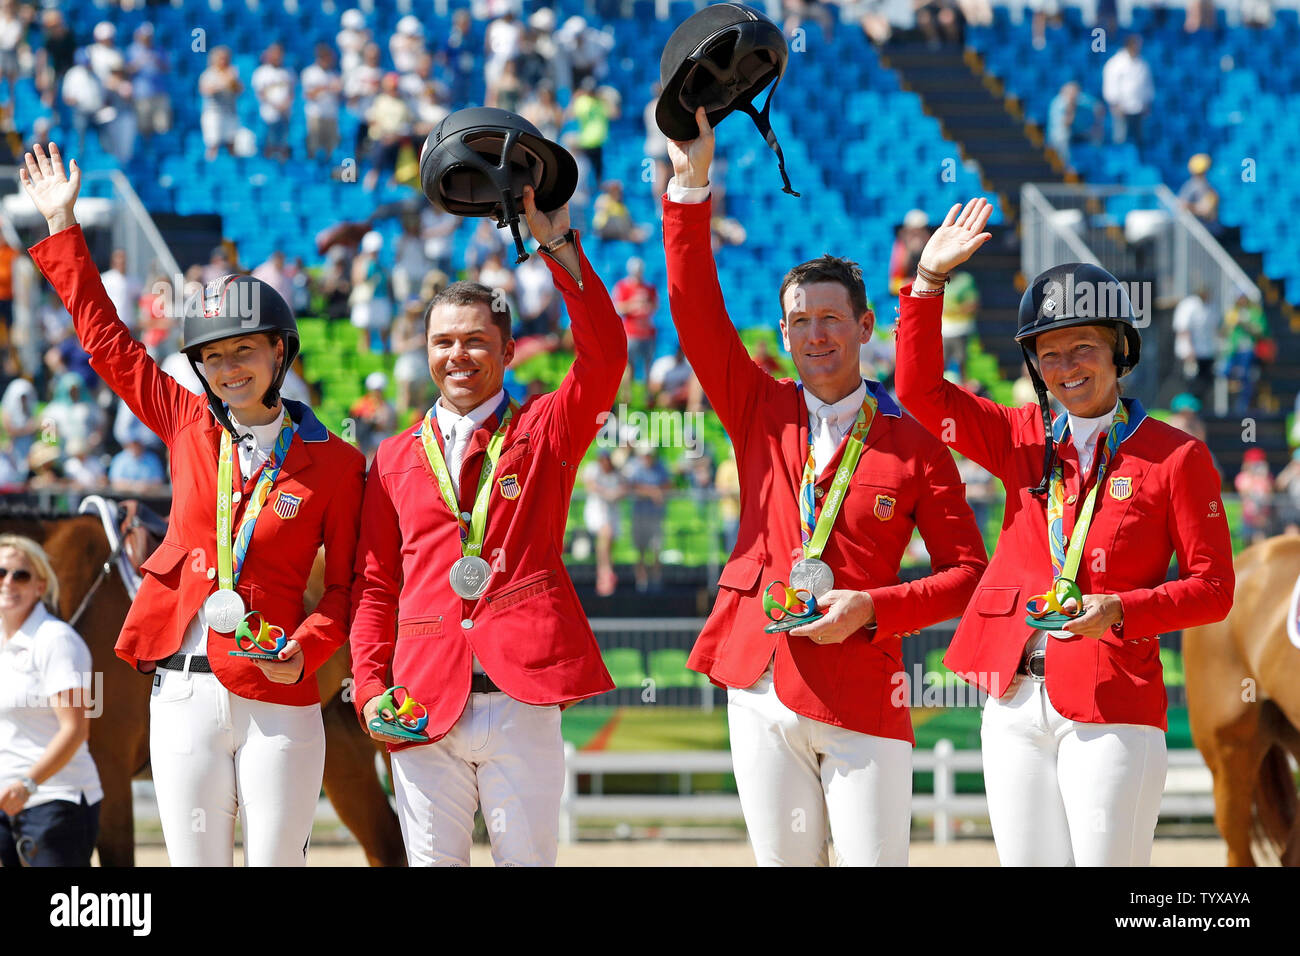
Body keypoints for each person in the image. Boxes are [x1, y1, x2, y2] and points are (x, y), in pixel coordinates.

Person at [21, 142, 365, 867]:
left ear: (280, 353)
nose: (229, 367)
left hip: (282, 694)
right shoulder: (184, 423)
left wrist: (304, 650)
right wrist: (62, 226)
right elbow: (106, 341)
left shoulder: (337, 464)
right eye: (213, 357)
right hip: (182, 692)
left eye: (245, 350)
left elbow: (346, 590)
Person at [664, 109, 988, 866]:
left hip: (862, 690)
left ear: (867, 325)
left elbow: (968, 576)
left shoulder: (915, 444)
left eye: (832, 320)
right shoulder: (758, 408)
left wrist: (874, 609)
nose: (816, 334)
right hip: (757, 679)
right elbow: (695, 310)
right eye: (800, 321)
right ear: (782, 335)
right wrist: (689, 189)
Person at [894, 197, 1235, 866]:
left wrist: (1119, 611)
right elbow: (919, 393)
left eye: (1083, 347)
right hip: (1014, 699)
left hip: (1111, 699)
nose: (1067, 365)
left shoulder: (1177, 456)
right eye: (1049, 355)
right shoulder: (1017, 437)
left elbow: (1215, 590)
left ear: (1119, 353)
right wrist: (927, 282)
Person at [349, 186, 627, 866]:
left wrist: (560, 249)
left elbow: (605, 359)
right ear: (425, 350)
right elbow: (376, 585)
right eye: (444, 341)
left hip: (519, 693)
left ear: (507, 350)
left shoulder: (545, 430)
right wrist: (368, 687)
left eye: (477, 340)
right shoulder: (391, 457)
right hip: (418, 698)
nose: (459, 355)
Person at [0, 535, 103, 867]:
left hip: (56, 801)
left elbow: (75, 731)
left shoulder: (56, 641)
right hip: (7, 800)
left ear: (40, 586)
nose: (8, 582)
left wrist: (27, 785)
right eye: (0, 573)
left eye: (21, 575)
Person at [624, 447, 671, 593]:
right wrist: (652, 492)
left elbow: (668, 485)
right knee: (641, 549)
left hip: (655, 516)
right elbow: (631, 486)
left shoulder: (661, 467)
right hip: (640, 515)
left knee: (656, 548)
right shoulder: (635, 467)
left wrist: (652, 492)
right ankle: (641, 580)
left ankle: (656, 579)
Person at [583, 449, 625, 597]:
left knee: (609, 541)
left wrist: (615, 494)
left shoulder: (617, 473)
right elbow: (589, 484)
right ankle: (604, 571)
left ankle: (606, 572)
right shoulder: (593, 469)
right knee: (605, 534)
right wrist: (607, 493)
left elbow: (624, 489)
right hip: (597, 510)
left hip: (611, 512)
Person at [612, 257, 658, 388]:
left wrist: (646, 307)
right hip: (631, 332)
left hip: (647, 332)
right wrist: (634, 306)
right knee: (628, 365)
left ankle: (647, 396)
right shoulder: (622, 286)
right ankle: (627, 396)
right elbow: (617, 307)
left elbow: (655, 306)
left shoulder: (649, 288)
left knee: (647, 364)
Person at [1102, 35, 1153, 148]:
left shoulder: (1142, 63)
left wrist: (1147, 103)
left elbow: (1147, 84)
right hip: (1122, 109)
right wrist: (1115, 104)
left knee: (1140, 139)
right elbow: (1111, 85)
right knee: (1120, 139)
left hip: (1139, 109)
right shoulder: (1115, 63)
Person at [1172, 287, 1218, 402]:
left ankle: (1197, 409)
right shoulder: (1189, 305)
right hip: (1190, 353)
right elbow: (1183, 329)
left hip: (1205, 353)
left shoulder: (1210, 306)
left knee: (1204, 383)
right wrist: (1189, 350)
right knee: (1190, 383)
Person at [251, 43, 294, 163]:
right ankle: (269, 170)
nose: (276, 56)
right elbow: (261, 93)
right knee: (269, 143)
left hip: (285, 114)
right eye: (274, 54)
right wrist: (276, 105)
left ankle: (282, 170)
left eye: (279, 54)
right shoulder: (261, 72)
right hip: (268, 114)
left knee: (283, 144)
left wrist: (285, 104)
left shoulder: (288, 72)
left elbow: (292, 92)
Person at [198, 46, 243, 161]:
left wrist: (233, 81)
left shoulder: (232, 73)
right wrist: (224, 83)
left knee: (231, 144)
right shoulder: (208, 74)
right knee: (213, 144)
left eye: (226, 58)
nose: (223, 61)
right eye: (221, 58)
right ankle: (209, 170)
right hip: (213, 114)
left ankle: (234, 169)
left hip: (230, 113)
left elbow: (240, 90)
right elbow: (205, 90)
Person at [300, 44, 342, 160]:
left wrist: (338, 91)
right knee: (314, 146)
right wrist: (326, 87)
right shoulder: (310, 72)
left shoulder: (334, 74)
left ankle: (327, 173)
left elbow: (340, 98)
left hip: (331, 115)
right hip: (315, 115)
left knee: (331, 147)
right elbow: (308, 95)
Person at [1235, 448, 1273, 544]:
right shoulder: (1242, 477)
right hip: (1247, 517)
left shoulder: (1267, 477)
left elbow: (1269, 493)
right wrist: (1251, 476)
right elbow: (1243, 492)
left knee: (1260, 543)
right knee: (1248, 544)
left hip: (1262, 517)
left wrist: (1262, 477)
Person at [1178, 154, 1219, 232]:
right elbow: (1182, 206)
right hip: (1198, 230)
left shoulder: (1206, 186)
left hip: (1206, 229)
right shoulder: (1193, 186)